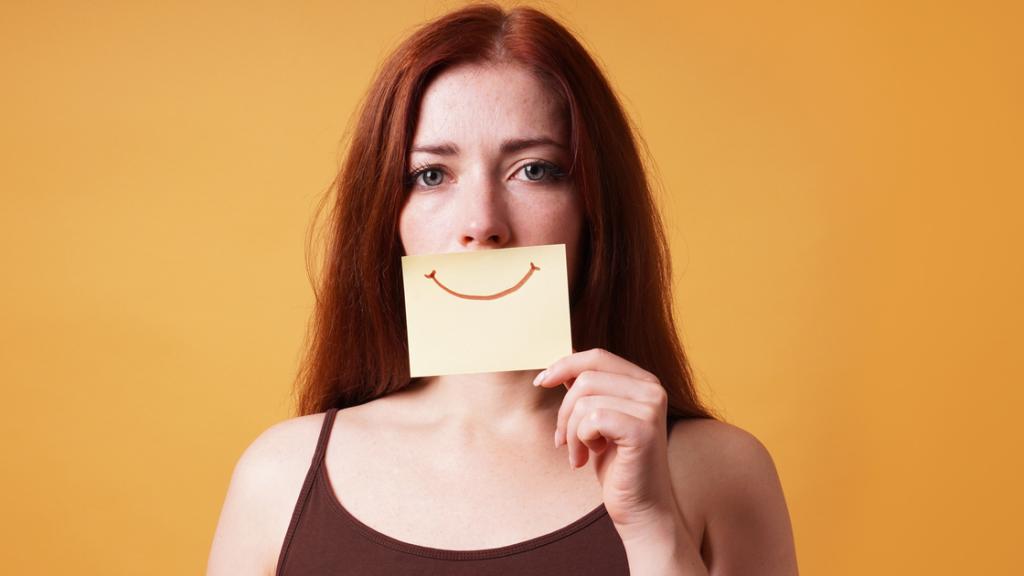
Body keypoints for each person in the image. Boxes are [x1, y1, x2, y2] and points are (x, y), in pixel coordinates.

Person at [207, 3, 798, 575]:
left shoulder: (722, 470)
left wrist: (652, 528)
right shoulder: (279, 477)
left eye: (534, 170)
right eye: (431, 174)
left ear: (594, 207)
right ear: (387, 213)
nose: (482, 222)